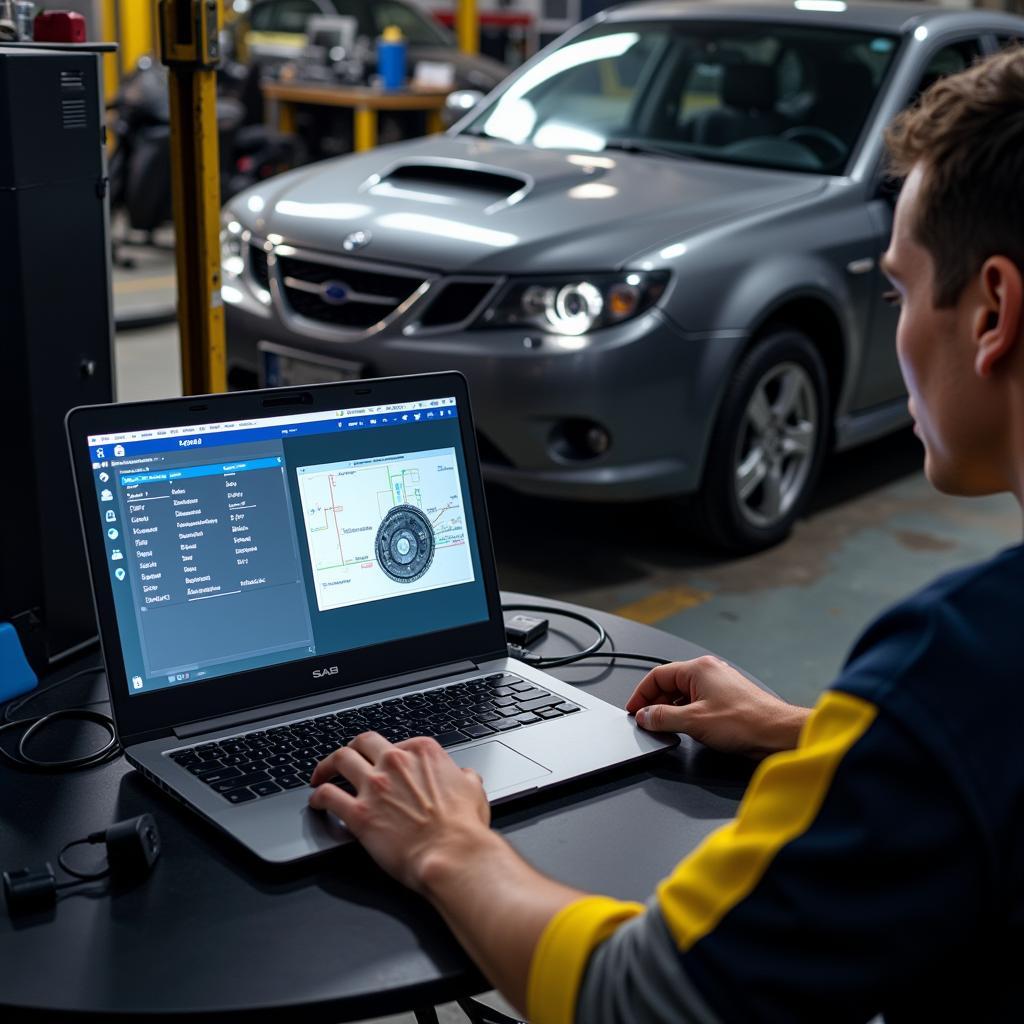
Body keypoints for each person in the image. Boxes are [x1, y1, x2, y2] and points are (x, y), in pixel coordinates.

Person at [307, 47, 1024, 1023]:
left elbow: (642, 996)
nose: (892, 326)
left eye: (895, 291)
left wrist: (446, 842)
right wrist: (817, 736)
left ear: (991, 311)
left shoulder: (963, 659)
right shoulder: (959, 694)